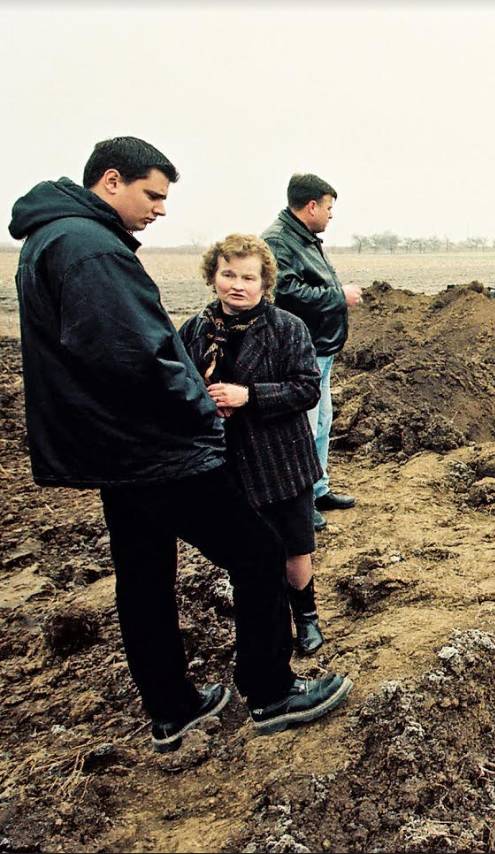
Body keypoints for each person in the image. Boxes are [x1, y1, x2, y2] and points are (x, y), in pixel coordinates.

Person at [8, 136, 352, 752]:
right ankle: (271, 692)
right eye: (153, 195)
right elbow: (137, 356)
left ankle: (172, 709)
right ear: (111, 181)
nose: (160, 209)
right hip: (151, 448)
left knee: (143, 576)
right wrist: (200, 408)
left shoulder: (50, 240)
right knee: (256, 550)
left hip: (112, 452)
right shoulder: (90, 250)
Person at [178, 234, 329, 656]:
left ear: (265, 283)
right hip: (226, 464)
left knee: (295, 547)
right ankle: (268, 624)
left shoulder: (287, 328)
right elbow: (179, 385)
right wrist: (203, 403)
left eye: (249, 276)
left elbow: (306, 389)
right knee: (250, 554)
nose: (237, 285)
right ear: (213, 277)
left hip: (281, 461)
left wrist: (250, 396)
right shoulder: (194, 330)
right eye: (228, 274)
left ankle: (306, 616)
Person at [262, 175, 363, 531]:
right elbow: (286, 292)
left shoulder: (302, 238)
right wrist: (339, 296)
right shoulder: (278, 240)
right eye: (329, 207)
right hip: (301, 350)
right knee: (302, 427)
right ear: (311, 207)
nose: (331, 215)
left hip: (320, 348)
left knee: (321, 422)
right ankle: (300, 502)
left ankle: (318, 489)